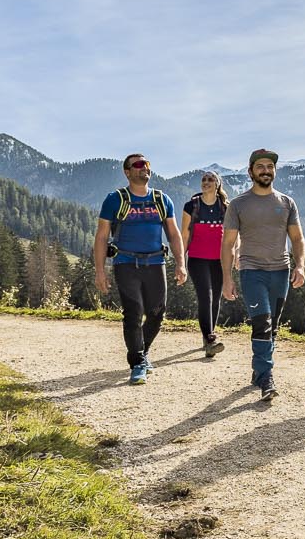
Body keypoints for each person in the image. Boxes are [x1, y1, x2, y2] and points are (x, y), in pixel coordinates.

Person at [93, 154, 186, 385]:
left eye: (146, 164)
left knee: (157, 312)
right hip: (126, 263)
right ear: (127, 172)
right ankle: (137, 363)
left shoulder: (161, 199)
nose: (143, 167)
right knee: (133, 312)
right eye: (137, 164)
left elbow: (174, 234)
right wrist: (100, 271)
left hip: (156, 263)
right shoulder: (115, 199)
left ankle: (141, 352)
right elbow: (102, 236)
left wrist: (181, 263)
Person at [220, 148, 305, 401]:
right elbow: (227, 244)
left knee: (273, 326)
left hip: (281, 271)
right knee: (262, 323)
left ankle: (259, 370)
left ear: (275, 171)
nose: (266, 170)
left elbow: (298, 238)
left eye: (270, 166)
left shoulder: (286, 202)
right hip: (251, 271)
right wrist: (227, 278)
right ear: (251, 171)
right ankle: (267, 378)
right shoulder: (238, 205)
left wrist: (300, 265)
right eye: (260, 166)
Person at [183, 170, 229, 358]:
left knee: (216, 298)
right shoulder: (191, 206)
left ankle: (207, 335)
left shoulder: (226, 207)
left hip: (219, 259)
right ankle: (210, 339)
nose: (206, 182)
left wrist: (236, 255)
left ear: (217, 185)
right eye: (204, 179)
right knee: (206, 296)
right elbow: (184, 234)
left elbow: (233, 236)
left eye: (210, 179)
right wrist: (180, 261)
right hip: (197, 258)